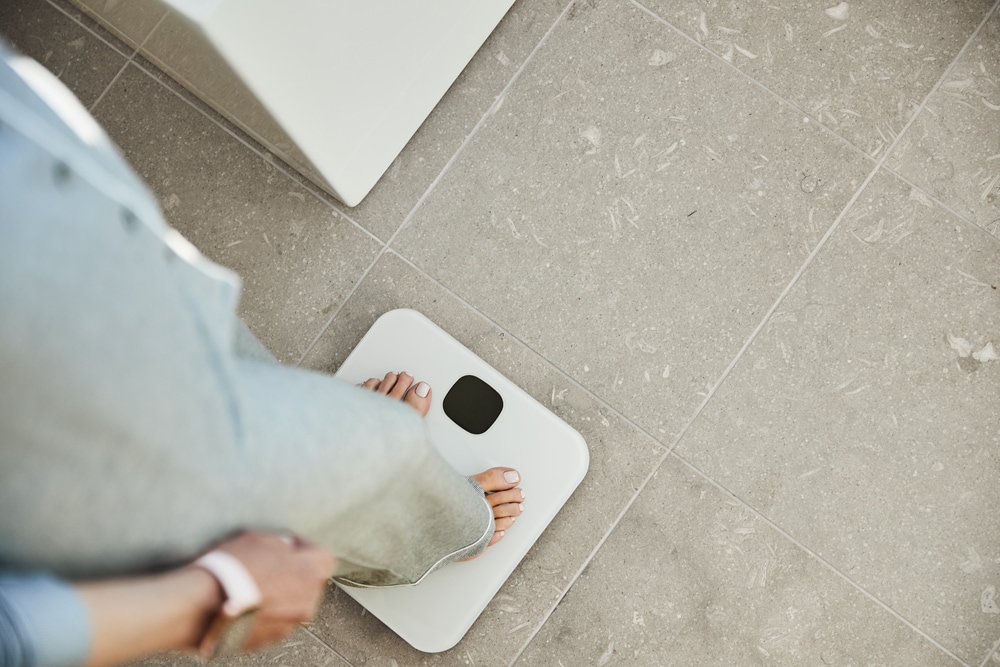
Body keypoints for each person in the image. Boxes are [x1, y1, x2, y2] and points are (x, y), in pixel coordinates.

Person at [0, 39, 524, 667]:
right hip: (53, 426)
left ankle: (343, 493)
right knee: (378, 448)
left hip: (82, 274)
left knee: (220, 355)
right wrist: (214, 594)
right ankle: (439, 533)